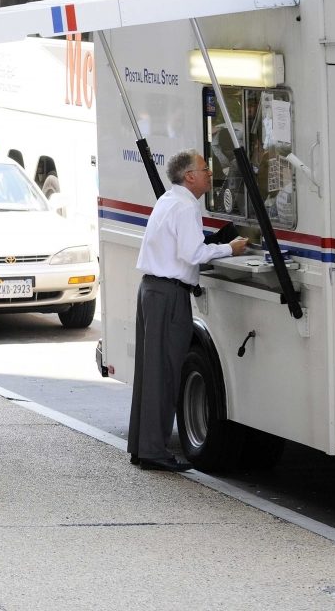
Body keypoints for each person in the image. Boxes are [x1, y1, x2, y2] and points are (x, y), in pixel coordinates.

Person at [128, 150, 248, 472]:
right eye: (205, 169)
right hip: (169, 294)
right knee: (166, 373)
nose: (210, 173)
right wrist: (230, 248)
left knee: (150, 372)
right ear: (189, 176)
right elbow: (192, 252)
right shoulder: (186, 206)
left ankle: (142, 446)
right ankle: (155, 451)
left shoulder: (168, 200)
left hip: (151, 290)